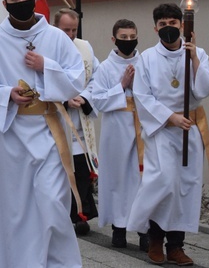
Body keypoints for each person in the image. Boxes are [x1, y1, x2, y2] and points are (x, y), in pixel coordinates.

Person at [0, 0, 86, 268]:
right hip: (9, 139)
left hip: (49, 134)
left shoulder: (56, 38)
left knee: (51, 204)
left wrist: (46, 65)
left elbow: (77, 79)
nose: (21, 2)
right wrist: (7, 94)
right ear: (5, 3)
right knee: (16, 211)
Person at [127, 3, 209, 266]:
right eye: (163, 24)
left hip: (189, 129)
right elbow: (142, 96)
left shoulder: (197, 52)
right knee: (164, 183)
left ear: (182, 24)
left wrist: (194, 59)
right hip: (162, 131)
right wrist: (170, 117)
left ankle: (176, 246)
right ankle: (155, 239)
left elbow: (204, 88)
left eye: (173, 23)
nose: (169, 28)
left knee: (185, 187)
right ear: (155, 27)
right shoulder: (146, 58)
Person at [92, 19, 149, 251]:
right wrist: (122, 84)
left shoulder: (145, 63)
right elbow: (97, 100)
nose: (128, 41)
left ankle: (145, 231)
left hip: (143, 128)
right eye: (123, 37)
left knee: (144, 180)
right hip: (116, 130)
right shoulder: (105, 67)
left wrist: (137, 88)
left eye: (132, 37)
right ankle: (119, 228)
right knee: (118, 180)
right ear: (113, 39)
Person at [53, 8, 100, 236]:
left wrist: (85, 97)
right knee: (61, 171)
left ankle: (81, 215)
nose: (71, 34)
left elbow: (97, 77)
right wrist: (63, 97)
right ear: (55, 27)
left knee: (81, 170)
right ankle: (60, 214)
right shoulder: (47, 47)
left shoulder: (85, 47)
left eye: (74, 29)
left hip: (80, 121)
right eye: (66, 30)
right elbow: (39, 81)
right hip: (57, 120)